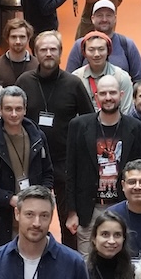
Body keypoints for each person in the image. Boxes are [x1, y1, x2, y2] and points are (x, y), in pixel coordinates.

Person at [16, 30, 96, 242]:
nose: (48, 53)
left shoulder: (73, 83)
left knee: (67, 220)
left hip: (65, 162)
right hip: (31, 161)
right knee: (33, 217)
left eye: (53, 49)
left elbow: (89, 121)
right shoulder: (24, 82)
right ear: (35, 53)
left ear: (61, 53)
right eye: (43, 49)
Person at [64, 74, 141, 253]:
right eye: (103, 93)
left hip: (123, 206)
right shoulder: (78, 126)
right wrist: (71, 212)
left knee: (123, 260)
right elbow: (70, 171)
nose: (108, 97)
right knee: (87, 264)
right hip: (89, 209)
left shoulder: (137, 128)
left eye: (112, 92)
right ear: (96, 97)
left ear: (122, 94)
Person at [0, 85, 56, 254]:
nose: (14, 114)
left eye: (18, 109)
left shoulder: (38, 138)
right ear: (0, 110)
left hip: (33, 220)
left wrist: (42, 195)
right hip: (1, 222)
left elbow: (48, 173)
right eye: (8, 109)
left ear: (25, 109)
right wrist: (9, 199)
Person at [65, 0, 141, 80]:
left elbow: (139, 80)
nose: (104, 19)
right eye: (100, 15)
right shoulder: (80, 45)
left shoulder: (127, 45)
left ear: (115, 18)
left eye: (108, 15)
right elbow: (69, 80)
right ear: (92, 19)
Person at [72, 29, 135, 114]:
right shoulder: (76, 78)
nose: (97, 54)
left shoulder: (122, 77)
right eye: (91, 50)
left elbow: (126, 112)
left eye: (101, 49)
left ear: (108, 51)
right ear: (84, 53)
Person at [86, 211, 137, 279]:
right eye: (105, 234)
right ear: (94, 238)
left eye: (117, 235)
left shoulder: (133, 272)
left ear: (124, 239)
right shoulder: (84, 272)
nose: (111, 241)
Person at [0, 19, 38, 86]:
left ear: (28, 39)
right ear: (7, 39)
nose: (18, 41)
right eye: (13, 37)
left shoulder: (37, 65)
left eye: (22, 37)